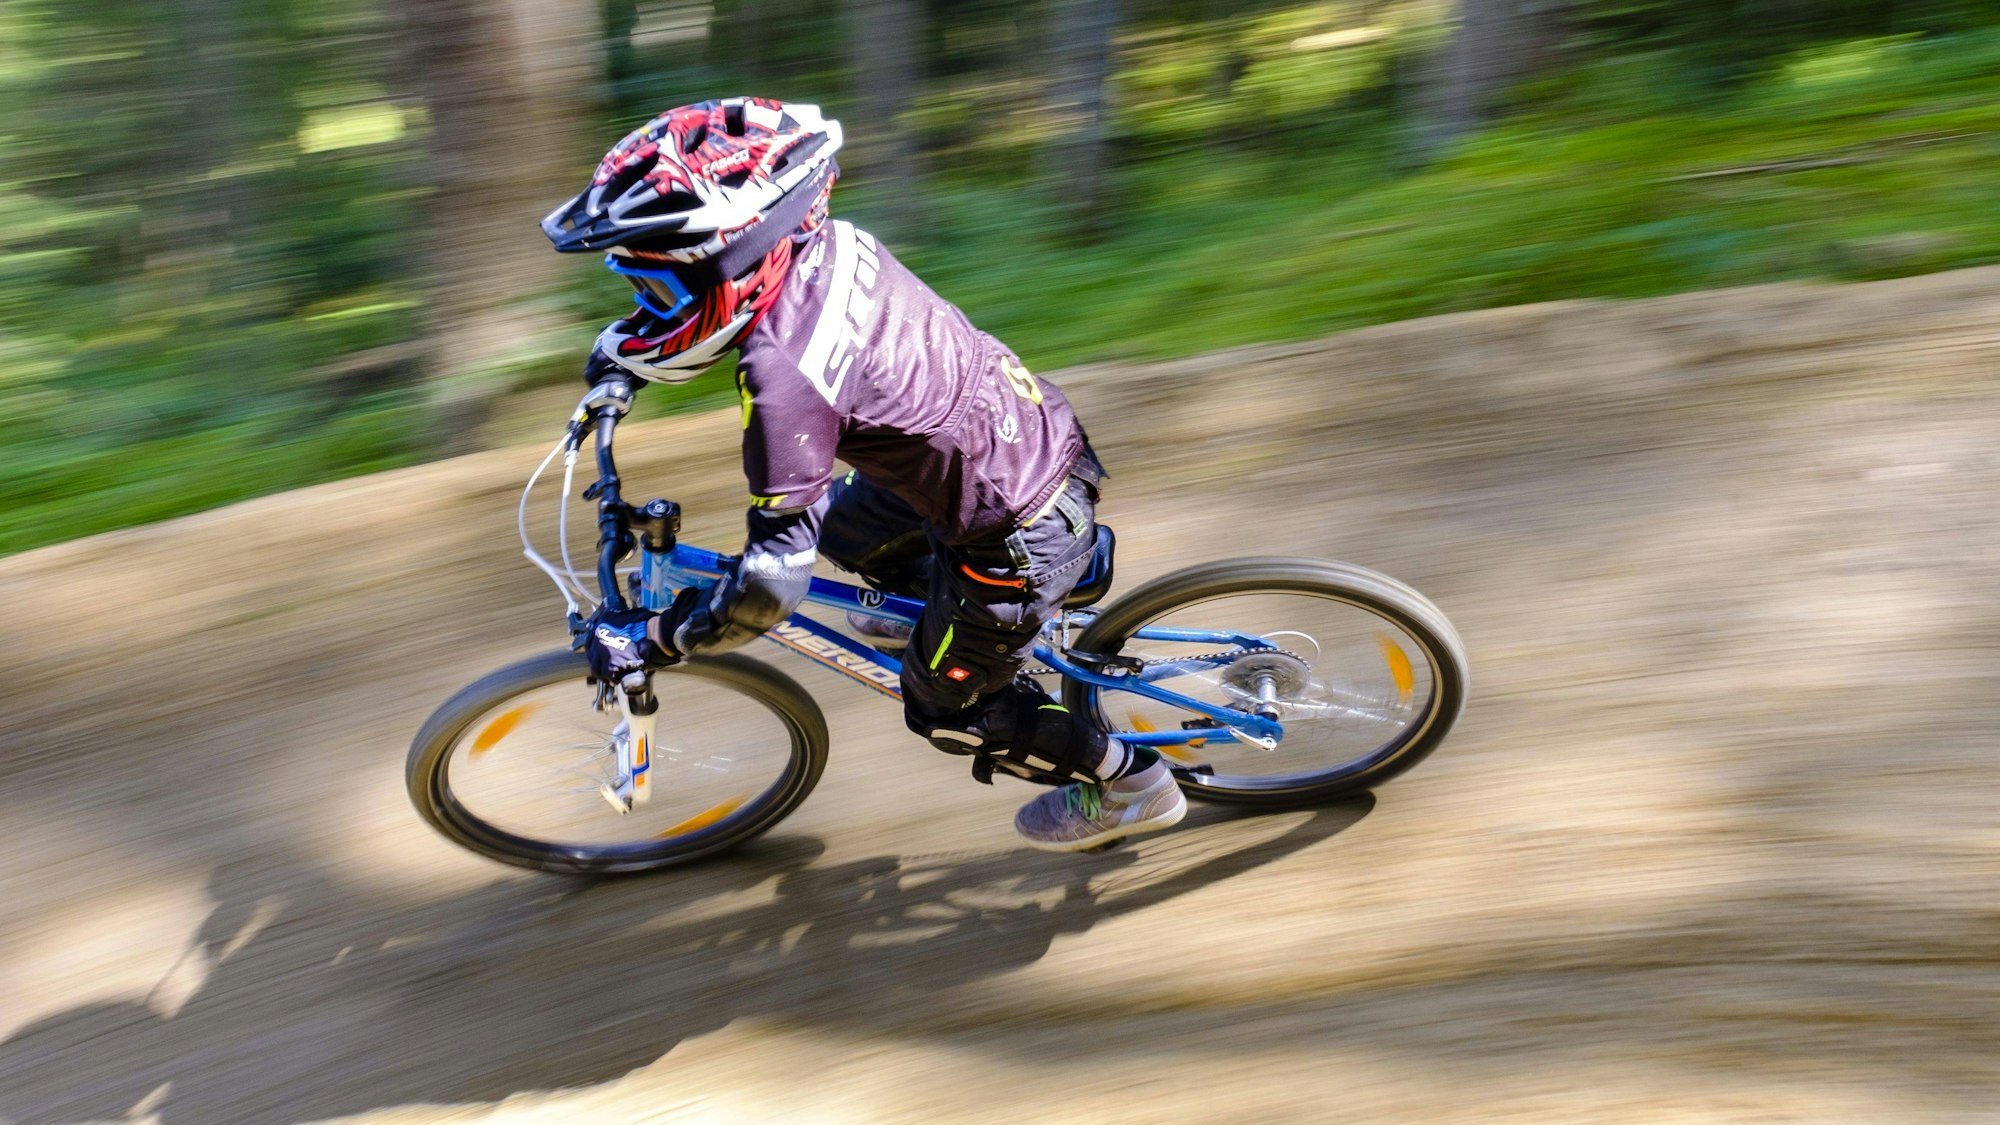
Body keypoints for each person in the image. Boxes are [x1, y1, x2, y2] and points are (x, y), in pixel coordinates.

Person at [544, 97, 1184, 852]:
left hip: (1017, 528)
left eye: (656, 287)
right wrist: (618, 369)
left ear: (735, 256)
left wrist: (656, 638)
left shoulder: (784, 378)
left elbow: (767, 591)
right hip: (1020, 432)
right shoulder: (828, 245)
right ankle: (938, 609)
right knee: (846, 524)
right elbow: (691, 327)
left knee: (943, 712)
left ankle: (1132, 782)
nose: (647, 306)